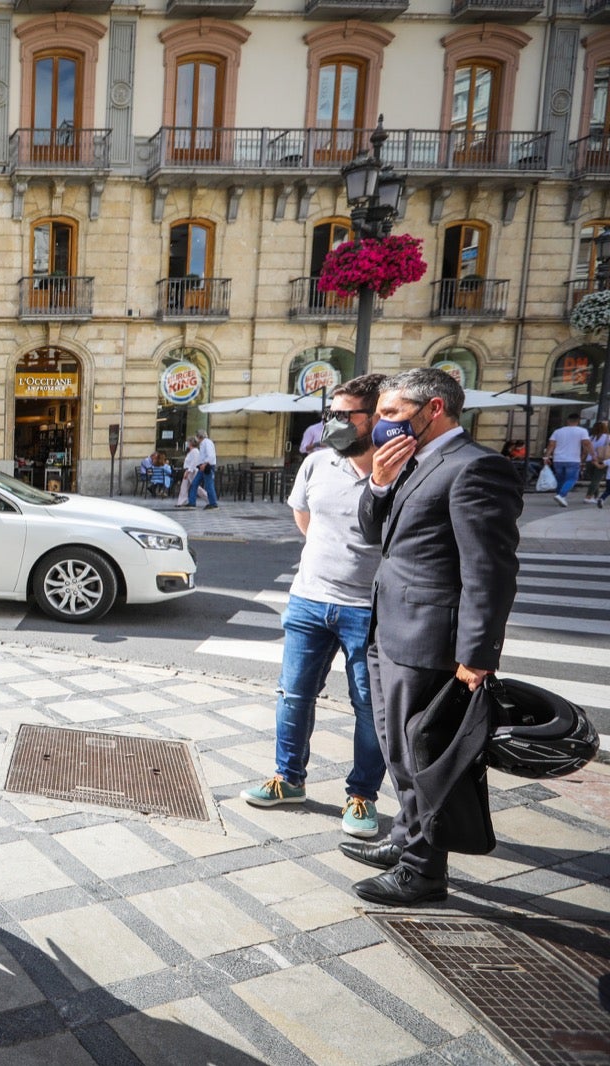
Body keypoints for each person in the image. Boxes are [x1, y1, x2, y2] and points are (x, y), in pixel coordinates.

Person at [346, 367, 522, 906]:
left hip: (431, 642)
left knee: (425, 757)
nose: (381, 424)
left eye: (392, 414)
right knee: (399, 750)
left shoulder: (475, 468)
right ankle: (405, 840)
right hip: (391, 630)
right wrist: (377, 482)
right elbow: (375, 533)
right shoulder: (411, 461)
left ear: (434, 410)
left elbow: (489, 569)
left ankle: (423, 872)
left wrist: (476, 653)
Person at [242, 374, 388, 839]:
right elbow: (303, 514)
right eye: (332, 414)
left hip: (370, 610)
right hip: (309, 600)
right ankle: (289, 780)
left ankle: (362, 796)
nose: (335, 424)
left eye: (347, 416)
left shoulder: (400, 469)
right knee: (293, 695)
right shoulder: (318, 463)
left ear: (376, 418)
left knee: (370, 707)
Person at [544, 412, 591, 506]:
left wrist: (546, 456)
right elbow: (586, 444)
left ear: (567, 421)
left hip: (558, 459)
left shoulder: (558, 431)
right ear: (578, 421)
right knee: (572, 478)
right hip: (573, 459)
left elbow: (551, 445)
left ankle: (560, 496)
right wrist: (587, 455)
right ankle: (561, 495)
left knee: (560, 479)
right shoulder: (582, 431)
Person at [189, 430, 220, 509]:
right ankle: (192, 502)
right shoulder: (203, 444)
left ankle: (213, 503)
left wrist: (205, 463)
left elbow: (211, 455)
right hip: (202, 467)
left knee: (209, 485)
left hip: (207, 466)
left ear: (199, 436)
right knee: (194, 483)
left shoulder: (207, 443)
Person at [581, 420, 608, 502]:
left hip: (590, 460)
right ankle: (588, 497)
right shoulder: (608, 437)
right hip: (601, 460)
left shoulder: (591, 437)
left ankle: (595, 497)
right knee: (596, 480)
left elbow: (585, 451)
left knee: (594, 480)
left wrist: (582, 461)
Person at [176, 435, 203, 507]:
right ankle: (181, 502)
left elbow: (194, 462)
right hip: (188, 470)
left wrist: (188, 471)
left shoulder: (195, 451)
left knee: (196, 488)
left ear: (191, 443)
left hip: (192, 471)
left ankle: (208, 498)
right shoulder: (191, 451)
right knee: (184, 487)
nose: (187, 443)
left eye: (188, 442)